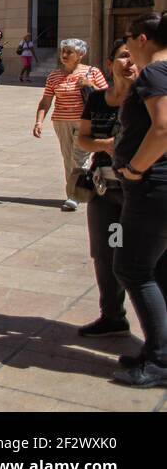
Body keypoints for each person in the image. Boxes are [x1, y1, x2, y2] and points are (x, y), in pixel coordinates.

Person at [110, 12, 167, 387]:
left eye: (128, 38)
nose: (126, 45)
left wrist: (133, 169)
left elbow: (163, 129)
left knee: (131, 268)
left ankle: (160, 360)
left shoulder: (154, 74)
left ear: (143, 39)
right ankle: (157, 350)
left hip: (153, 188)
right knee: (159, 268)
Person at [75, 39, 137, 339]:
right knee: (105, 254)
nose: (130, 63)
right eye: (123, 57)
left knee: (139, 259)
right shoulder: (98, 100)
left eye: (134, 57)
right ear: (109, 64)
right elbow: (82, 139)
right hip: (103, 190)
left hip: (137, 192)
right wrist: (107, 146)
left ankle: (158, 337)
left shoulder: (148, 99)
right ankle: (112, 316)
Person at [34, 37, 107, 212]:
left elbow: (107, 96)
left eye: (69, 52)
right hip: (61, 121)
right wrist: (39, 121)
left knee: (79, 158)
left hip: (85, 122)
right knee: (68, 158)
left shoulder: (92, 72)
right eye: (63, 51)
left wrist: (91, 85)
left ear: (80, 55)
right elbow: (46, 101)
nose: (64, 55)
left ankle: (75, 195)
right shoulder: (54, 76)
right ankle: (79, 189)